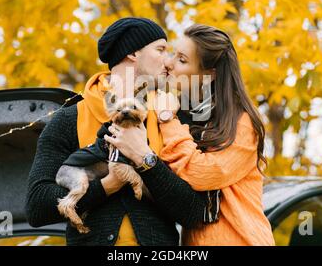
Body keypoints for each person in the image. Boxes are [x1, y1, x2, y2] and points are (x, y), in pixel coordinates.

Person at [25, 18, 214, 246]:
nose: (169, 62)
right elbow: (36, 207)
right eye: (161, 50)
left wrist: (146, 160)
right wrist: (107, 185)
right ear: (133, 53)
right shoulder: (69, 118)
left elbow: (195, 212)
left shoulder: (173, 117)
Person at [105, 24, 275, 246]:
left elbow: (200, 173)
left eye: (182, 60)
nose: (169, 63)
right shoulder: (190, 115)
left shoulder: (242, 123)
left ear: (209, 75)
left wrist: (167, 118)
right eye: (173, 54)